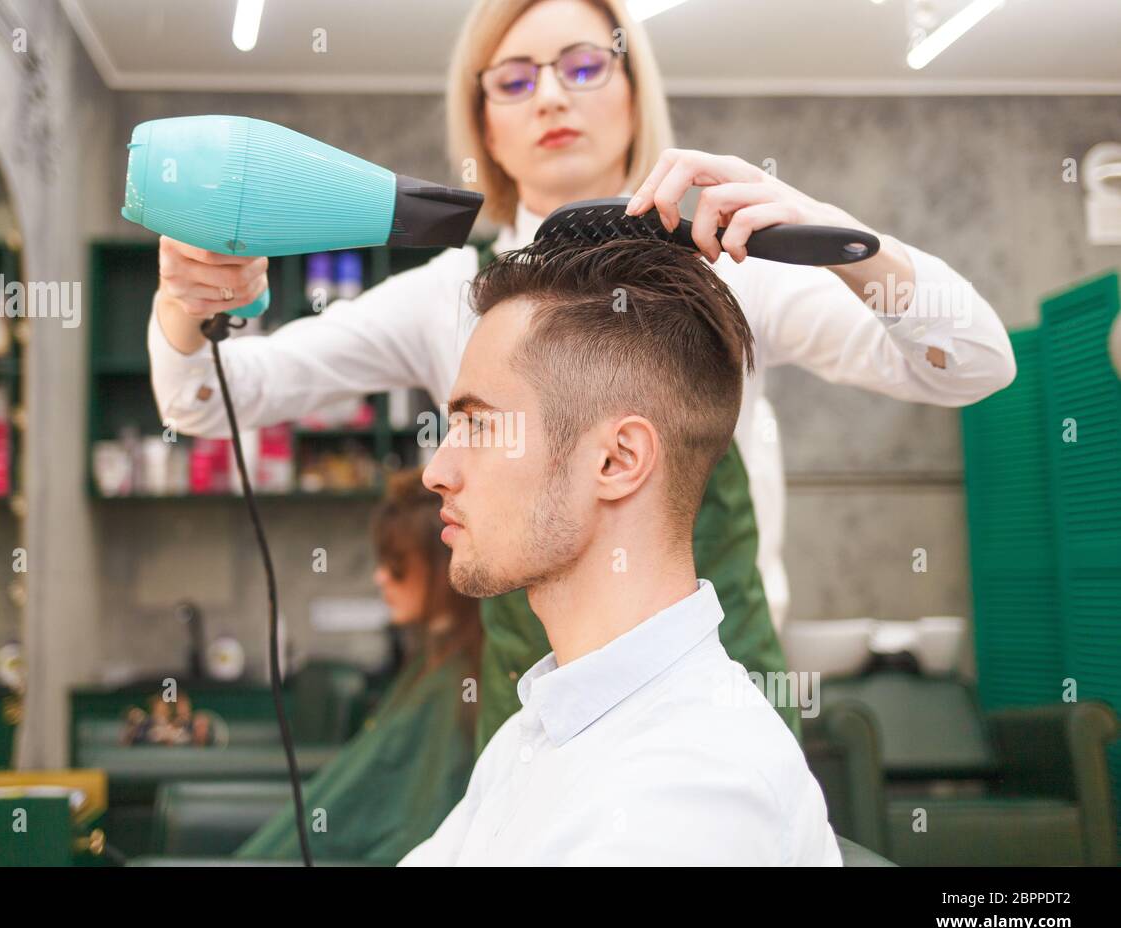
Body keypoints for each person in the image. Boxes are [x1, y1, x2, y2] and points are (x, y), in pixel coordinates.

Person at [146, 0, 1015, 752]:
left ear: (636, 93)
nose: (552, 94)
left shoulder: (735, 270)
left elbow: (971, 366)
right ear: (483, 120)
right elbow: (203, 399)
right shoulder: (444, 298)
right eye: (515, 79)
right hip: (534, 715)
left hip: (719, 693)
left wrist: (838, 236)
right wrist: (189, 305)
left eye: (584, 65)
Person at [402, 235, 841, 865]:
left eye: (478, 426)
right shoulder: (536, 731)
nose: (436, 472)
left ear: (617, 460)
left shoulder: (690, 796)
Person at [235, 469, 482, 864]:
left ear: (443, 562)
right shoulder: (432, 669)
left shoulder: (455, 688)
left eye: (397, 564)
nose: (380, 576)